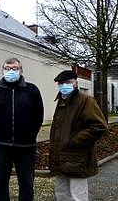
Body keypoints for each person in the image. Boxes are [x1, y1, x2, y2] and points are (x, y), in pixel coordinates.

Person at [0, 57, 44, 201]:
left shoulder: (32, 90)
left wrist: (30, 134)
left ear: (21, 70)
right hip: (1, 145)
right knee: (1, 184)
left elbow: (39, 115)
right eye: (7, 68)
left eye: (15, 68)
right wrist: (0, 131)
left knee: (26, 185)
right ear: (2, 70)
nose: (11, 71)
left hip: (26, 147)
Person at [49, 70, 107, 201]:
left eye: (68, 82)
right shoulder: (61, 101)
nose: (64, 85)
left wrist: (75, 141)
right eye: (61, 83)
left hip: (77, 157)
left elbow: (99, 126)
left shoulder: (85, 100)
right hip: (61, 156)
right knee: (61, 194)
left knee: (77, 196)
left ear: (76, 83)